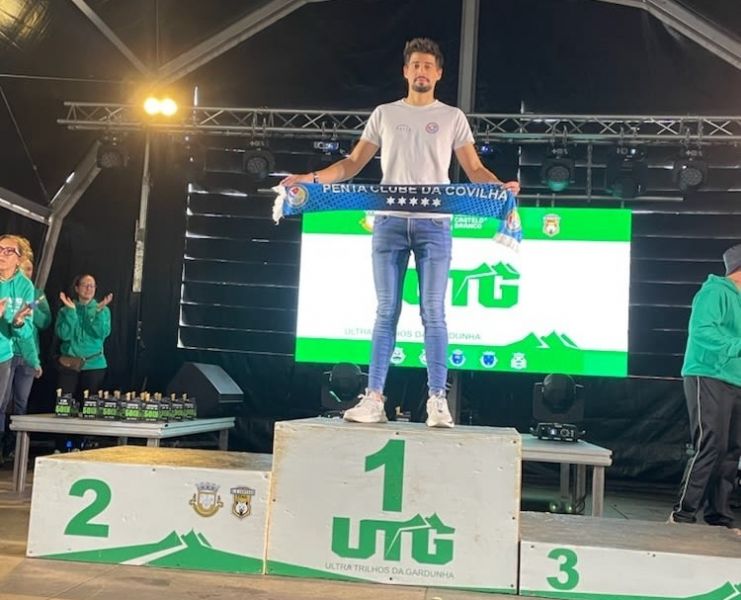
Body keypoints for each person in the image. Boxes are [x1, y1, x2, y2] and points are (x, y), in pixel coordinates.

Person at [281, 38, 519, 427]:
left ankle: (437, 399)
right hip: (389, 222)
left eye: (428, 66)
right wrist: (310, 178)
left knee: (433, 312)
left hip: (434, 224)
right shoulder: (385, 114)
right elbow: (352, 163)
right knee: (386, 311)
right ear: (406, 71)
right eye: (416, 65)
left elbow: (474, 169)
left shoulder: (452, 117)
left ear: (438, 74)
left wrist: (499, 187)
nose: (422, 71)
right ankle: (374, 398)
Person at [670, 243, 741, 530]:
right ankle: (683, 514)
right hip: (707, 374)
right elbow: (702, 331)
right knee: (711, 444)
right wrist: (736, 346)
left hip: (736, 379)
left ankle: (719, 516)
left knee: (732, 450)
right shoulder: (715, 292)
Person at [0, 257, 51, 460]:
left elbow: (44, 323)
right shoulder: (6, 288)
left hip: (28, 353)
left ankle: (15, 447)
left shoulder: (36, 295)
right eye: (23, 269)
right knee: (3, 402)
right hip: (8, 353)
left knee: (21, 402)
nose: (27, 273)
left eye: (30, 269)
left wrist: (30, 310)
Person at [0, 235, 35, 460]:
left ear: (19, 258)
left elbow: (27, 328)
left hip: (4, 353)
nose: (2, 254)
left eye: (8, 251)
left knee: (4, 405)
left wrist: (18, 321)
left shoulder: (25, 286)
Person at [55, 274, 112, 397]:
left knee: (90, 405)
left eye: (92, 286)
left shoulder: (103, 310)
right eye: (85, 285)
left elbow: (102, 334)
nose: (88, 288)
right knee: (64, 404)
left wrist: (99, 312)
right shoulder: (65, 310)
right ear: (76, 288)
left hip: (94, 365)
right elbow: (63, 335)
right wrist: (71, 312)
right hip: (69, 364)